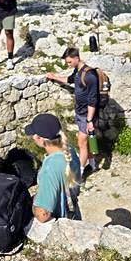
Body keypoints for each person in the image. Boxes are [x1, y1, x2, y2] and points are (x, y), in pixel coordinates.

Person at [45, 48, 99, 178]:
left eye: (69, 62)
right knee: (84, 142)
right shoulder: (77, 71)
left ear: (76, 58)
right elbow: (70, 80)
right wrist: (55, 77)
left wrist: (89, 121)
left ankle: (79, 174)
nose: (68, 65)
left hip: (87, 115)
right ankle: (93, 164)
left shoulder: (90, 76)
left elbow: (93, 100)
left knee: (81, 142)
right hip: (81, 113)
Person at [24, 113, 82, 222]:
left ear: (39, 139)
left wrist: (34, 203)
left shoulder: (50, 168)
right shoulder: (70, 151)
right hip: (74, 215)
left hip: (61, 222)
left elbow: (43, 215)